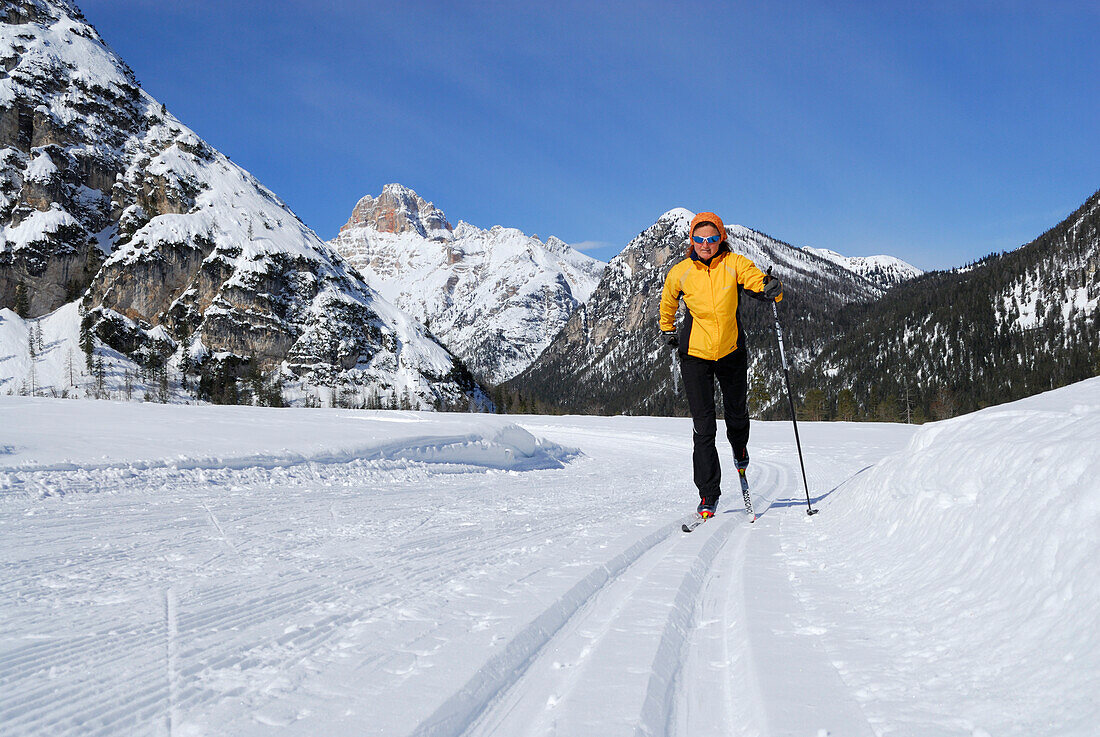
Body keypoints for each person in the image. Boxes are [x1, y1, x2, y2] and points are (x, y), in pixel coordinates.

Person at [658, 212, 783, 518]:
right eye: (699, 239)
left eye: (712, 238)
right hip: (695, 356)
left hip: (731, 351)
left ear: (721, 238)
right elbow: (668, 300)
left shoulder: (734, 264)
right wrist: (667, 329)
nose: (705, 244)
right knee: (704, 427)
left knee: (736, 414)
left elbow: (753, 278)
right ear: (692, 240)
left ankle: (740, 451)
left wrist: (769, 286)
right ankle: (708, 494)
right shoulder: (681, 272)